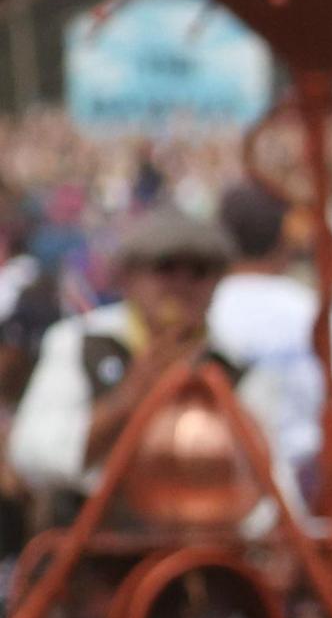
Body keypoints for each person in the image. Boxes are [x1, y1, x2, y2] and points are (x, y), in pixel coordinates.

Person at [7, 210, 230, 514]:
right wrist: (127, 398)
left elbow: (270, 492)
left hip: (204, 545)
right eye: (166, 267)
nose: (182, 283)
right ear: (129, 277)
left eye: (199, 271)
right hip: (94, 546)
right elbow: (31, 454)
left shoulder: (232, 365)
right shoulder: (78, 343)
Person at [205, 178, 332, 512]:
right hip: (304, 513)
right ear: (286, 236)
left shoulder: (201, 314)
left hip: (222, 502)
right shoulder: (318, 313)